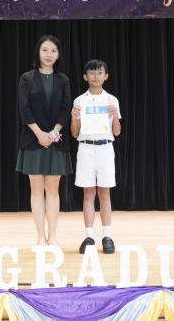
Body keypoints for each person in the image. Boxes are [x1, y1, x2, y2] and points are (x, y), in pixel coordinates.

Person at [16, 35, 73, 246]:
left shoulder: (63, 80)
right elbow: (24, 109)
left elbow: (66, 109)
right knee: (36, 188)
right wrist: (39, 133)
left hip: (56, 140)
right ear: (38, 52)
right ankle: (41, 236)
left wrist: (54, 132)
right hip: (33, 140)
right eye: (45, 50)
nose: (49, 54)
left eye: (53, 51)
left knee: (53, 189)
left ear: (58, 55)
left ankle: (53, 236)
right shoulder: (26, 78)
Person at [70, 60, 121, 255]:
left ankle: (107, 236)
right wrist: (74, 117)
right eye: (91, 73)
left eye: (100, 72)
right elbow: (74, 133)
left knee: (105, 193)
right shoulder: (79, 101)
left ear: (106, 76)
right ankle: (89, 237)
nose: (96, 76)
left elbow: (117, 132)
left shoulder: (112, 100)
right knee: (88, 193)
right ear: (85, 77)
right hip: (86, 148)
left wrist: (115, 116)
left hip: (106, 148)